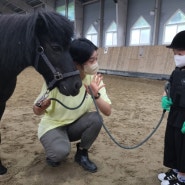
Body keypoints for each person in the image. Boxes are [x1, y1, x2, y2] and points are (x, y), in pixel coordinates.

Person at [33, 38, 111, 173]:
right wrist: (41, 107)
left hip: (74, 126)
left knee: (96, 119)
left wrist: (96, 95)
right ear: (76, 63)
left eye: (96, 59)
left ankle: (82, 154)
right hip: (53, 126)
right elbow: (36, 110)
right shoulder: (56, 79)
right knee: (59, 154)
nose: (96, 64)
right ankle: (55, 147)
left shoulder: (93, 79)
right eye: (91, 61)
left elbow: (107, 111)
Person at [158, 30, 185, 185]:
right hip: (174, 113)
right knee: (172, 142)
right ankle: (175, 170)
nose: (177, 56)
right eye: (175, 53)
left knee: (183, 147)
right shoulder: (177, 71)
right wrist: (164, 98)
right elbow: (168, 86)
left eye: (180, 53)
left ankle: (182, 178)